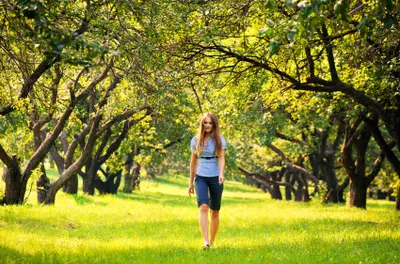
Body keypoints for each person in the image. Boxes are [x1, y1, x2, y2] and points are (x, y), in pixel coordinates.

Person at [188, 112, 226, 250]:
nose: (207, 125)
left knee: (214, 211)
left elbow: (221, 158)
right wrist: (191, 183)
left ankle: (212, 240)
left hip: (216, 177)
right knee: (203, 207)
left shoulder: (219, 140)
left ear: (214, 124)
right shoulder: (195, 140)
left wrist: (221, 174)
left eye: (210, 123)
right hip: (201, 177)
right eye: (205, 122)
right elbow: (192, 163)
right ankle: (205, 241)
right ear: (202, 124)